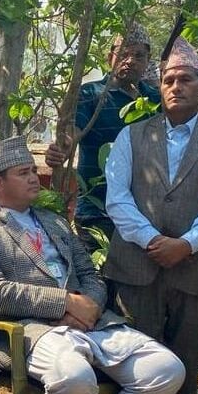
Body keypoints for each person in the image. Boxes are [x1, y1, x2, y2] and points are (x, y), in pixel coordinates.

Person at [0, 136, 184, 394]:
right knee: (74, 377)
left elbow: (90, 274)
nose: (34, 178)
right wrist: (65, 302)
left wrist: (89, 307)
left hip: (90, 325)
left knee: (165, 369)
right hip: (30, 331)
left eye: (32, 170)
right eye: (23, 173)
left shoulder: (55, 221)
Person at [104, 37, 198, 394]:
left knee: (185, 361)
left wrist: (187, 243)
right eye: (168, 79)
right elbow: (117, 199)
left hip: (197, 268)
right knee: (136, 362)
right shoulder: (131, 135)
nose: (175, 86)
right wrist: (155, 240)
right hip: (137, 267)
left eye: (185, 79)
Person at [46, 23, 161, 248]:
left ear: (148, 61)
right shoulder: (91, 94)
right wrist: (62, 147)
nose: (130, 61)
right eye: (123, 54)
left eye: (139, 56)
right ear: (110, 58)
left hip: (145, 213)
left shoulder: (155, 100)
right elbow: (73, 131)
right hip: (97, 211)